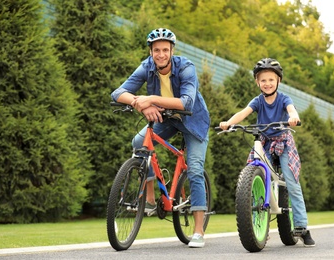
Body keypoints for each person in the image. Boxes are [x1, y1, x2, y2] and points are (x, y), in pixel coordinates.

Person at [111, 28, 210, 248]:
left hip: (193, 122)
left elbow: (186, 103)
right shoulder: (147, 66)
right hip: (167, 119)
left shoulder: (185, 67)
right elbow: (118, 93)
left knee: (194, 169)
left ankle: (198, 230)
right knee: (139, 143)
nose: (161, 54)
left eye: (165, 49)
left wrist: (151, 99)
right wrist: (141, 106)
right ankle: (149, 199)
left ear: (172, 50)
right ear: (151, 52)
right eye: (157, 50)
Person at [218, 58, 315, 247]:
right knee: (255, 170)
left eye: (271, 79)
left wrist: (293, 117)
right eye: (263, 80)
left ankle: (302, 227)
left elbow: (291, 110)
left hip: (283, 141)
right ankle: (258, 227)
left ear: (278, 81)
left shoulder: (284, 99)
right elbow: (243, 113)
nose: (267, 83)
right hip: (264, 141)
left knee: (291, 181)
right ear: (257, 82)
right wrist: (229, 122)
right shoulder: (257, 101)